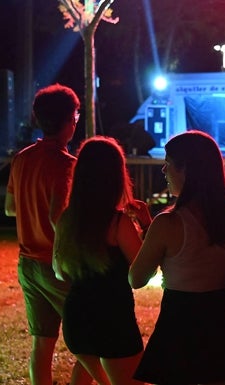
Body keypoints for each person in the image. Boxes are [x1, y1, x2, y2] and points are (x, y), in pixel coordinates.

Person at [128, 130, 225, 385]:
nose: (164, 170)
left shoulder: (168, 223)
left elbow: (136, 278)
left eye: (168, 162)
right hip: (220, 320)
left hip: (180, 321)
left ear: (186, 168)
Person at [4, 83, 93, 385]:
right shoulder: (67, 165)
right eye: (76, 114)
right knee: (91, 341)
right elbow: (59, 219)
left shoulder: (21, 159)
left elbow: (10, 209)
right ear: (71, 120)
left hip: (27, 265)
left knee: (42, 343)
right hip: (58, 266)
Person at [52, 136, 151, 385]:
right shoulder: (118, 223)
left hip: (77, 320)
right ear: (115, 177)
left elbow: (59, 272)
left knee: (85, 377)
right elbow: (143, 273)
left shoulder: (67, 219)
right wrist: (148, 226)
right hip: (113, 323)